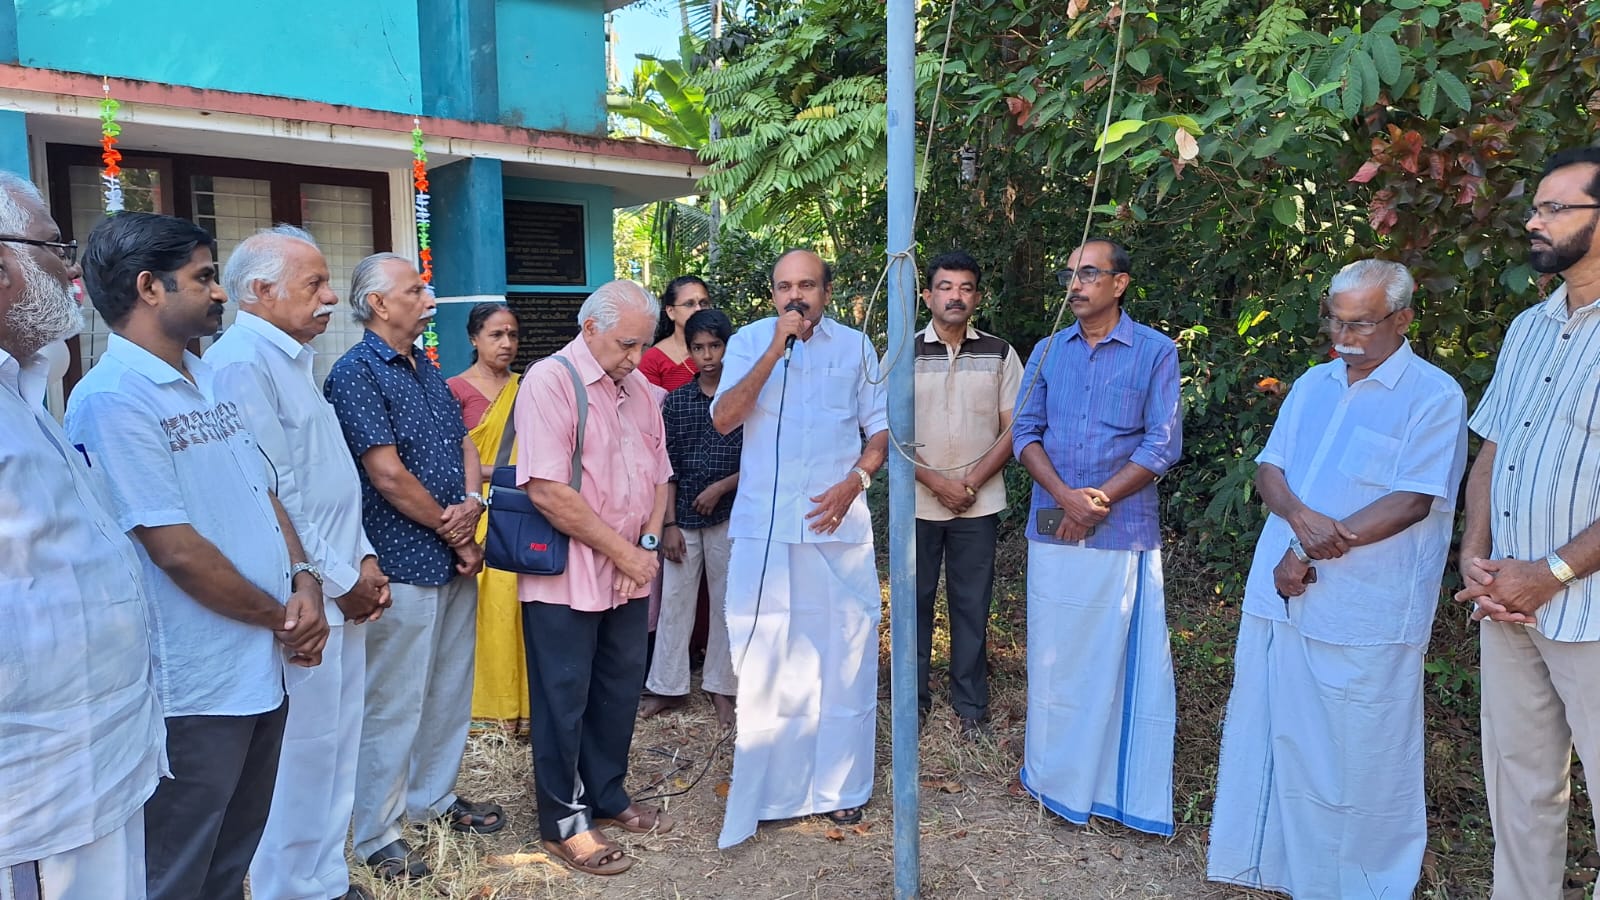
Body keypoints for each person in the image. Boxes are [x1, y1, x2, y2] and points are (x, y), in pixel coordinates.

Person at [65, 211, 330, 900]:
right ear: (149, 287)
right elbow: (175, 551)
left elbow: (262, 491)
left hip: (259, 663)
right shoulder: (112, 400)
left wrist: (304, 580)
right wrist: (282, 617)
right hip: (194, 684)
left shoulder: (204, 376)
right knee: (178, 867)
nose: (219, 292)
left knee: (231, 856)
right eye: (205, 277)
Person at [1207, 259, 1467, 897]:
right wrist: (1299, 522)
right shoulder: (1313, 383)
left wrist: (1309, 549)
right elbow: (1270, 469)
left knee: (1360, 754)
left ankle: (1363, 886)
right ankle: (1274, 869)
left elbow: (1413, 500)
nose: (1344, 337)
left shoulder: (1434, 396)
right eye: (1336, 321)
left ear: (1403, 320)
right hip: (1282, 595)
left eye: (1361, 324)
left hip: (1366, 612)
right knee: (1275, 734)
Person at [207, 225, 391, 900]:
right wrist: (339, 580)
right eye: (314, 284)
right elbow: (275, 491)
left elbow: (332, 480)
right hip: (308, 597)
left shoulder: (294, 361)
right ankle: (292, 887)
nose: (330, 297)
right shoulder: (240, 364)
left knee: (335, 747)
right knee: (300, 757)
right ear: (260, 290)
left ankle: (325, 878)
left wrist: (363, 559)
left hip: (342, 585)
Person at [0, 172, 166, 900]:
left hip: (99, 757)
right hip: (33, 789)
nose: (71, 270)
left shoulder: (26, 388)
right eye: (52, 247)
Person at [324, 253, 502, 882]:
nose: (429, 300)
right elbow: (386, 474)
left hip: (453, 555)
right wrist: (455, 531)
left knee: (449, 690)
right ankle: (378, 833)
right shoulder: (355, 373)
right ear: (378, 303)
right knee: (394, 702)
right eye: (415, 290)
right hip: (401, 562)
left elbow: (463, 444)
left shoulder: (424, 366)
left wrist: (471, 505)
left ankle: (434, 798)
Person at [1456, 146, 1600, 898]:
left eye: (1556, 208)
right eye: (1535, 207)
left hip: (1589, 610)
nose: (1534, 222)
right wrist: (1476, 556)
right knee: (1519, 792)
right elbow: (1494, 449)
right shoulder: (1530, 327)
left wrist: (1551, 573)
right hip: (1508, 604)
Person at [712, 249, 888, 848]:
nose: (796, 296)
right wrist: (774, 350)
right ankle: (770, 791)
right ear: (773, 295)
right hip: (766, 530)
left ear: (827, 293)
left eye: (807, 285)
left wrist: (856, 481)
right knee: (768, 662)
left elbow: (879, 428)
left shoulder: (856, 348)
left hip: (837, 527)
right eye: (785, 286)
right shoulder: (750, 342)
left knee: (844, 657)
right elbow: (725, 419)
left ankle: (841, 789)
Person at [1012, 238, 1181, 837]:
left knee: (1113, 662)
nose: (1076, 285)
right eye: (1070, 275)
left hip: (1122, 534)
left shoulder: (1155, 352)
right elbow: (1023, 432)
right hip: (1053, 529)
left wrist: (1096, 502)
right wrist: (1066, 498)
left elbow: (1162, 445)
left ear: (1120, 283)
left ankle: (1112, 791)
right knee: (1056, 659)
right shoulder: (1046, 351)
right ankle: (1053, 779)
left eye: (1088, 274)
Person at [513, 280, 674, 876]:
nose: (636, 357)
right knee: (563, 698)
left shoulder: (640, 389)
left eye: (643, 345)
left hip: (630, 568)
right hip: (569, 572)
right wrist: (624, 554)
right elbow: (548, 491)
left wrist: (646, 546)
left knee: (618, 688)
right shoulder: (551, 381)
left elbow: (660, 477)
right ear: (589, 329)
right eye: (626, 344)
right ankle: (563, 822)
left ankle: (606, 793)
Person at [912, 250, 1023, 739]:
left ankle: (971, 706)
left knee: (972, 604)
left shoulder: (999, 353)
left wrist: (971, 483)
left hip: (980, 504)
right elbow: (884, 432)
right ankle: (912, 702)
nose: (955, 296)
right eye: (945, 287)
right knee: (914, 602)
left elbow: (1014, 430)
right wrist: (937, 483)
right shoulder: (903, 353)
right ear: (927, 296)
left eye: (965, 288)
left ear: (977, 297)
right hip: (918, 502)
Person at [642, 308, 742, 726]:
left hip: (731, 513)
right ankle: (667, 686)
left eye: (715, 346)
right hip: (682, 517)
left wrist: (721, 487)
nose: (708, 356)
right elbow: (665, 467)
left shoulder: (742, 397)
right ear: (689, 351)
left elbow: (760, 458)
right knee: (675, 601)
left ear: (728, 347)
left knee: (725, 602)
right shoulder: (678, 401)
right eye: (698, 347)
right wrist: (667, 525)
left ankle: (721, 686)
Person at [447, 302, 531, 734]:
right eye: (496, 334)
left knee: (521, 607)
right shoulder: (454, 390)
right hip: (476, 512)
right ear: (473, 338)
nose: (506, 343)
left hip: (523, 511)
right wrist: (501, 472)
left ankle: (524, 709)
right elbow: (448, 458)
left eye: (512, 334)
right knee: (485, 611)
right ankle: (485, 712)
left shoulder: (528, 387)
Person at [639, 275, 713, 391]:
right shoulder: (652, 359)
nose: (698, 309)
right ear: (671, 311)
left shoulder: (725, 349)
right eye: (689, 304)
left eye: (703, 303)